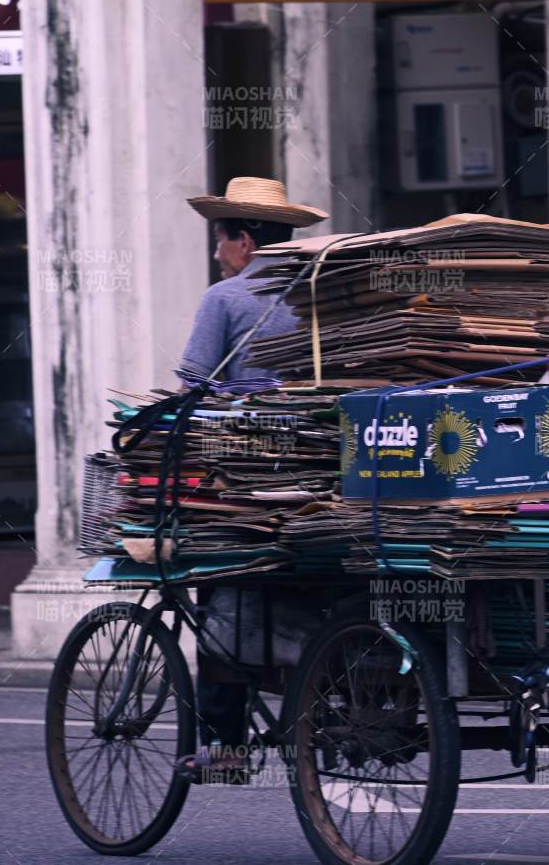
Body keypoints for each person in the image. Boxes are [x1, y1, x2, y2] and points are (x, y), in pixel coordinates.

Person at [173, 176, 327, 781]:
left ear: (243, 243)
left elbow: (192, 389)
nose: (216, 253)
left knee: (218, 583)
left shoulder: (226, 298)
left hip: (251, 480)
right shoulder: (324, 296)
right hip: (329, 479)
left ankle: (225, 748)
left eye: (220, 240)